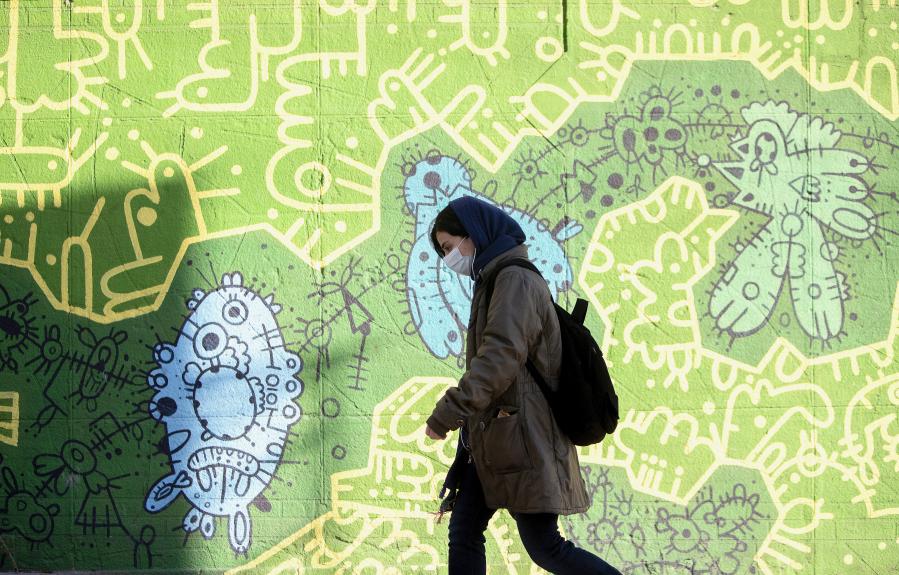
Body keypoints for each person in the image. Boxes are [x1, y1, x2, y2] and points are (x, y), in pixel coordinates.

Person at [424, 196, 622, 575]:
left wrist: (448, 412)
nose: (449, 258)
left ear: (475, 233)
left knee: (545, 546)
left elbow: (500, 357)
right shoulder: (494, 278)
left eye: (450, 247)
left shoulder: (513, 279)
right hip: (498, 436)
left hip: (524, 439)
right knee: (465, 529)